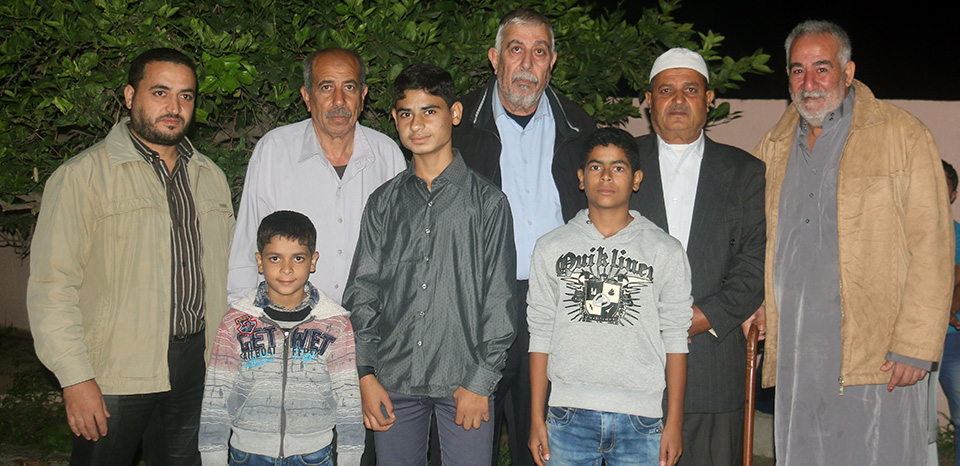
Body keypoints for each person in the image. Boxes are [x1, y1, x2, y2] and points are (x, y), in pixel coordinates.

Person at [753, 20, 953, 465]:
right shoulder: (773, 146)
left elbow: (933, 245)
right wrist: (759, 303)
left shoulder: (902, 135)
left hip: (879, 354)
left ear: (848, 72)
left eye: (821, 68)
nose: (809, 82)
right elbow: (761, 241)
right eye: (798, 70)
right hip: (798, 354)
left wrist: (916, 344)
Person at [26, 48, 235, 465]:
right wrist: (75, 378)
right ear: (129, 95)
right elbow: (52, 286)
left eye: (186, 95)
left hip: (197, 366)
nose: (174, 107)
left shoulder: (210, 176)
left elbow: (228, 275)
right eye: (160, 92)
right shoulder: (82, 177)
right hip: (114, 370)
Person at [343, 63, 517, 466]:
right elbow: (363, 290)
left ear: (454, 113)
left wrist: (481, 381)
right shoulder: (383, 203)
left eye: (429, 111)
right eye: (406, 113)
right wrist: (365, 373)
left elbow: (500, 300)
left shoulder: (487, 203)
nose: (416, 124)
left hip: (465, 382)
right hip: (392, 381)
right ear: (394, 119)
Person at [451, 10, 596, 465]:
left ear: (552, 62)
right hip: (478, 305)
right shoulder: (457, 127)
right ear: (495, 59)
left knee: (545, 442)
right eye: (516, 49)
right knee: (470, 439)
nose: (527, 63)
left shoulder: (581, 128)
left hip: (556, 304)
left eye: (539, 51)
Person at [526, 127, 691, 466]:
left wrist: (674, 421)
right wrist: (536, 417)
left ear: (636, 179)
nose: (605, 176)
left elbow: (676, 337)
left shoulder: (665, 250)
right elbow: (540, 333)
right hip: (567, 415)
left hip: (641, 419)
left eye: (618, 167)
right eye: (595, 166)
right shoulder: (550, 247)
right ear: (581, 177)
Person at [631, 48, 765, 466]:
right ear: (648, 101)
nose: (677, 100)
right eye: (665, 90)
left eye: (690, 90)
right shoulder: (618, 163)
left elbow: (754, 263)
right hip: (630, 372)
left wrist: (700, 317)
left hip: (713, 368)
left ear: (708, 99)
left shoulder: (745, 171)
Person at [228, 47, 405, 304]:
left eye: (349, 87)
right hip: (287, 321)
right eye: (326, 87)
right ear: (307, 96)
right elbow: (247, 245)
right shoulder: (274, 151)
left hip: (368, 322)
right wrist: (240, 314)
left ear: (363, 95)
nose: (339, 101)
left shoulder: (387, 155)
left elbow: (401, 253)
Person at [199, 210, 363, 466]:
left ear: (313, 261)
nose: (286, 269)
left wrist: (350, 457)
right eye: (275, 258)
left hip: (313, 454)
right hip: (248, 454)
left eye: (298, 258)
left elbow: (348, 399)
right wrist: (212, 457)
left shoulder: (335, 324)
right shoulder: (235, 322)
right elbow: (216, 395)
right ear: (260, 261)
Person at [936, 160, 960, 466]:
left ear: (953, 194)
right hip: (903, 341)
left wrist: (948, 309)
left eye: (943, 185)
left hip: (952, 339)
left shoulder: (957, 234)